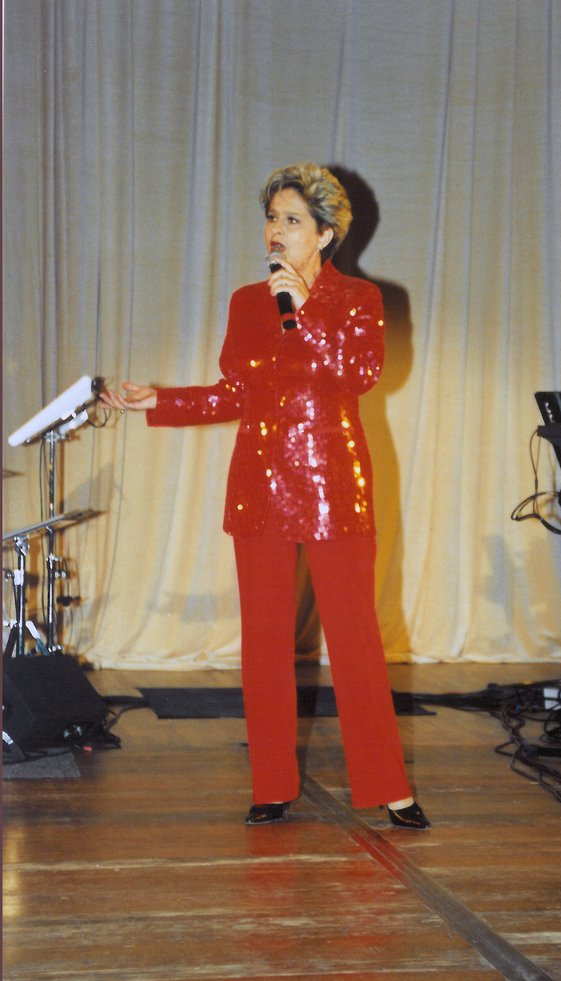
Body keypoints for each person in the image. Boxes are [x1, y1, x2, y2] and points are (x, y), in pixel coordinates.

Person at [101, 162, 429, 830]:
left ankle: (388, 786)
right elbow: (234, 393)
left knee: (355, 642)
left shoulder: (359, 299)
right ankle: (272, 783)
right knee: (264, 643)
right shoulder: (247, 302)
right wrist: (160, 400)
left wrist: (308, 311)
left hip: (334, 486)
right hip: (261, 485)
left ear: (326, 234)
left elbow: (360, 374)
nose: (275, 231)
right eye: (271, 218)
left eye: (292, 220)